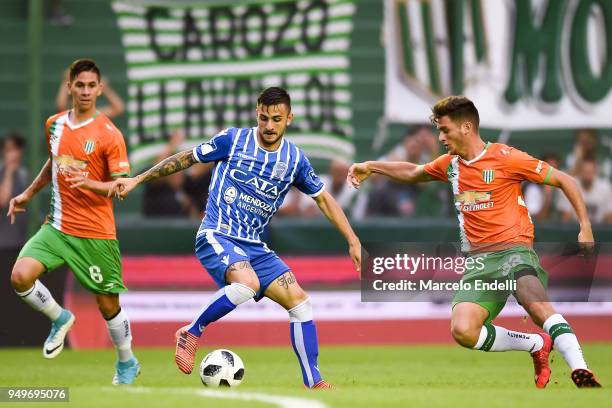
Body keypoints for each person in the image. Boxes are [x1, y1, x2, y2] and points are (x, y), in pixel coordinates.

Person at [109, 87, 361, 389]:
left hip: (254, 246)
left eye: (276, 119)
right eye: (264, 118)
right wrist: (137, 178)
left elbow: (323, 199)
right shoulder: (234, 140)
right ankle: (191, 331)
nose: (269, 126)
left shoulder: (294, 160)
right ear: (257, 112)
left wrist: (352, 239)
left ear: (289, 119)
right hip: (218, 233)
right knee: (247, 284)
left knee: (300, 303)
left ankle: (314, 382)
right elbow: (186, 158)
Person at [348, 96, 601, 388]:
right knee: (463, 330)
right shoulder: (450, 165)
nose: (440, 137)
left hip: (514, 252)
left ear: (466, 127)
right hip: (479, 264)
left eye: (445, 130)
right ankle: (535, 344)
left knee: (537, 306)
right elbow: (414, 172)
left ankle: (581, 370)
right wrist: (371, 166)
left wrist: (585, 226)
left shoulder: (507, 157)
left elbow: (565, 180)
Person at [7, 59, 139, 384]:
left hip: (96, 233)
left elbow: (121, 186)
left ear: (100, 89)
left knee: (108, 305)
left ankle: (126, 361)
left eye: (91, 86)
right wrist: (26, 194)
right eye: (79, 85)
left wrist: (92, 183)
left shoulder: (110, 134)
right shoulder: (54, 124)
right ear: (69, 87)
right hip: (57, 227)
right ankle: (60, 317)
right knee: (20, 276)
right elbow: (53, 164)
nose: (84, 91)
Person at [556, 158, 612, 224]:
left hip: (600, 228)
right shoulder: (569, 186)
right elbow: (565, 217)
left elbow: (609, 214)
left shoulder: (605, 187)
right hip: (576, 228)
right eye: (585, 171)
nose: (587, 175)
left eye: (590, 171)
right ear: (579, 172)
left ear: (596, 172)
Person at [55, 69, 125, 119]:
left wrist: (105, 88)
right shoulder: (70, 115)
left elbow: (118, 108)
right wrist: (65, 82)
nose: (85, 93)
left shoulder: (94, 115)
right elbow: (61, 106)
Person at [1, 133, 28, 250]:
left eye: (13, 149)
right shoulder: (2, 172)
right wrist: (8, 173)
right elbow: (2, 201)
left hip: (19, 241)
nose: (11, 154)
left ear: (20, 151)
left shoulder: (24, 174)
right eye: (7, 150)